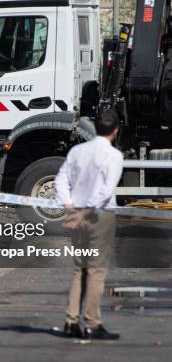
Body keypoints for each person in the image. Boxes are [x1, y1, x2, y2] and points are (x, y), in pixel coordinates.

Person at [54, 109, 123, 340]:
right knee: (95, 271)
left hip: (78, 214)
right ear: (115, 130)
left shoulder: (77, 151)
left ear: (94, 127)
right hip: (98, 215)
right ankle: (92, 322)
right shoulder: (114, 156)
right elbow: (105, 190)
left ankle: (71, 321)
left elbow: (60, 180)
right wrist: (83, 213)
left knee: (79, 270)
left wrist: (71, 208)